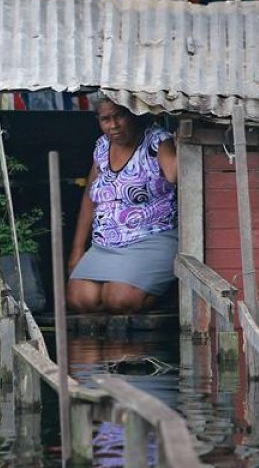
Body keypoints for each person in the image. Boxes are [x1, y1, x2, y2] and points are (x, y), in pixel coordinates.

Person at [67, 98, 178, 314]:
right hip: (105, 242)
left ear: (134, 114)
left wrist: (180, 141)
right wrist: (77, 249)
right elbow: (91, 197)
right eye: (105, 119)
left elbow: (173, 174)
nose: (113, 125)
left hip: (152, 238)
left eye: (119, 116)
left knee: (118, 300)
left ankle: (167, 294)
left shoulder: (157, 140)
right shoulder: (101, 147)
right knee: (80, 299)